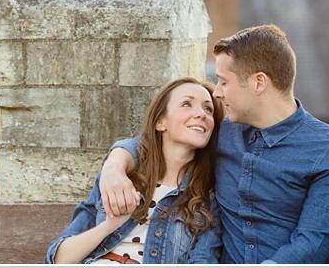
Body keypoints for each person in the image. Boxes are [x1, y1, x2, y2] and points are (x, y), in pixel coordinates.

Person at [99, 24, 329, 264]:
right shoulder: (222, 133)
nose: (217, 92)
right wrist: (114, 166)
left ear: (259, 82)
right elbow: (154, 141)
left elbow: (312, 244)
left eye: (224, 81)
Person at [45, 77, 224, 264]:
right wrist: (110, 225)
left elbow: (203, 260)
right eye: (187, 104)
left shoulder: (208, 199)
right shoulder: (120, 179)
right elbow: (58, 259)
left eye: (208, 109)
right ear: (160, 122)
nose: (201, 114)